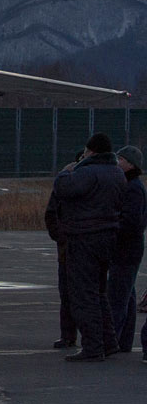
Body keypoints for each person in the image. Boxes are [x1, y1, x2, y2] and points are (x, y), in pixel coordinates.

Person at [52, 132, 124, 362]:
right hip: (108, 236)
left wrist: (66, 170)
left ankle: (93, 346)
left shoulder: (86, 172)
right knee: (100, 292)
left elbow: (63, 189)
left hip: (84, 238)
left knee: (84, 294)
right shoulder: (117, 173)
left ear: (90, 151)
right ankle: (109, 341)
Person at [44, 150, 84, 350]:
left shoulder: (90, 183)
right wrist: (60, 237)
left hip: (85, 247)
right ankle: (68, 335)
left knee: (86, 294)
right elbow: (51, 214)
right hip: (67, 248)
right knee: (67, 293)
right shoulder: (64, 185)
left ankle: (89, 336)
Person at [108, 145, 145, 353]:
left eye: (121, 159)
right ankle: (123, 342)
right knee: (127, 297)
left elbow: (131, 222)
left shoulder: (133, 188)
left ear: (131, 164)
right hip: (128, 249)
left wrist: (111, 225)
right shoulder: (132, 186)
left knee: (117, 299)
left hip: (126, 251)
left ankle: (112, 341)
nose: (117, 163)